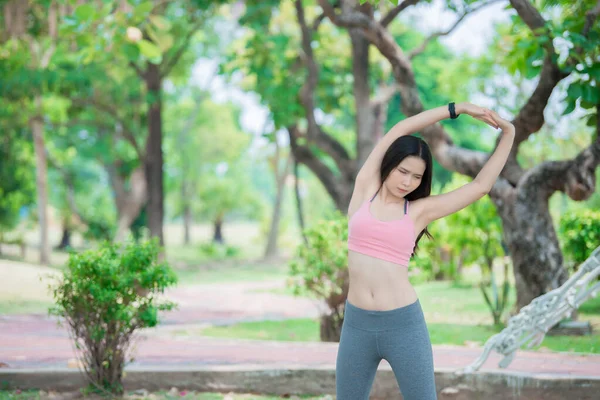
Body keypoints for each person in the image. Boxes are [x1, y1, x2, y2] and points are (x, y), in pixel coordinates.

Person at [336, 102, 515, 400]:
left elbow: (481, 185)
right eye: (402, 171)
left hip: (403, 325)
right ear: (389, 164)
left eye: (417, 177)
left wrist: (509, 132)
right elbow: (401, 129)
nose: (407, 182)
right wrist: (458, 109)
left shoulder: (419, 211)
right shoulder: (365, 189)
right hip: (357, 325)